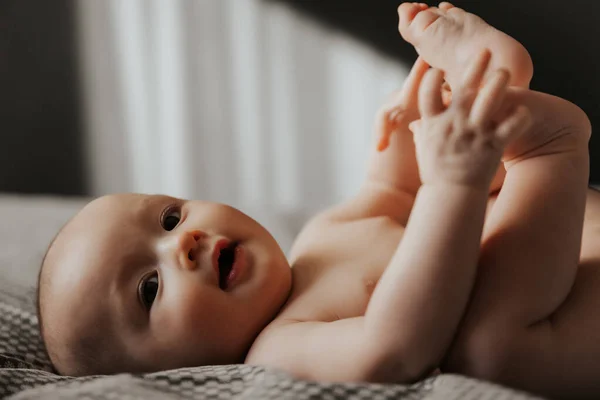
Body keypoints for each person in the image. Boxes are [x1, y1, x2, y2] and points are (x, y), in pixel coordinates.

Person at [37, 3, 596, 398]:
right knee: (485, 355)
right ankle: (548, 145)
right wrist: (453, 186)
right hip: (571, 314)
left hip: (568, 238)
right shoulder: (280, 349)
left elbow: (391, 189)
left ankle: (487, 79)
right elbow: (393, 348)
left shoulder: (321, 238)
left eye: (169, 216)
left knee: (452, 151)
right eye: (149, 288)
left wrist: (408, 113)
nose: (183, 242)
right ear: (157, 372)